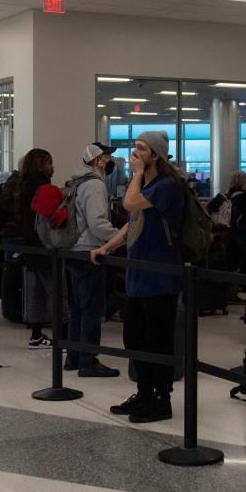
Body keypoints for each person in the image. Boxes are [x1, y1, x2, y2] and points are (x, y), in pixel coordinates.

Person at [91, 130, 184, 423]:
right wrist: (107, 247)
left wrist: (137, 173)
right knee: (134, 339)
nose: (134, 153)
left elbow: (130, 204)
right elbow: (132, 223)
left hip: (160, 278)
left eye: (141, 148)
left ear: (155, 154)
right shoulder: (145, 184)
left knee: (158, 340)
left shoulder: (167, 185)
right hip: (138, 277)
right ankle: (144, 393)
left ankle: (161, 399)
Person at [65, 142, 121, 377]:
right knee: (91, 309)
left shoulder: (75, 182)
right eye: (107, 156)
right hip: (89, 252)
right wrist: (119, 238)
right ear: (98, 160)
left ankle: (74, 357)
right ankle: (88, 361)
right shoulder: (95, 185)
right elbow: (97, 223)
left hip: (72, 250)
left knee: (77, 308)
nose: (110, 161)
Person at [7, 148, 59, 349]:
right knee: (57, 294)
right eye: (49, 162)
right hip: (44, 246)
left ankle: (36, 335)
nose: (53, 167)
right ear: (41, 165)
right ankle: (63, 338)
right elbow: (50, 219)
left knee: (35, 294)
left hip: (29, 245)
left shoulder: (23, 187)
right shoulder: (43, 187)